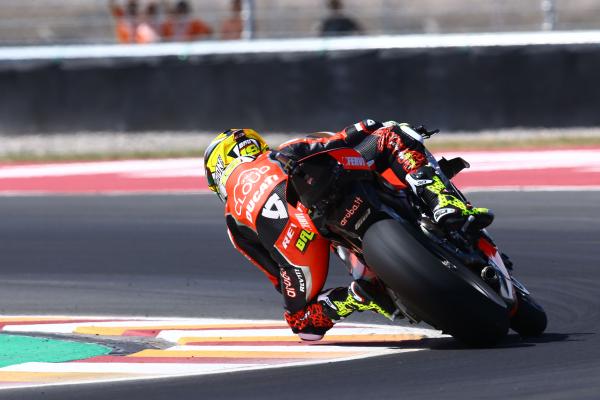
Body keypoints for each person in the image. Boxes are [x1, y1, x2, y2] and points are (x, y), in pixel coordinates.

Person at [203, 120, 493, 340]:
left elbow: (278, 277)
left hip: (298, 238)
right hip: (316, 182)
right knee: (394, 133)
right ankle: (442, 201)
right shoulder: (282, 152)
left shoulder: (233, 220)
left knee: (302, 324)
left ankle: (356, 295)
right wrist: (369, 126)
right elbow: (344, 138)